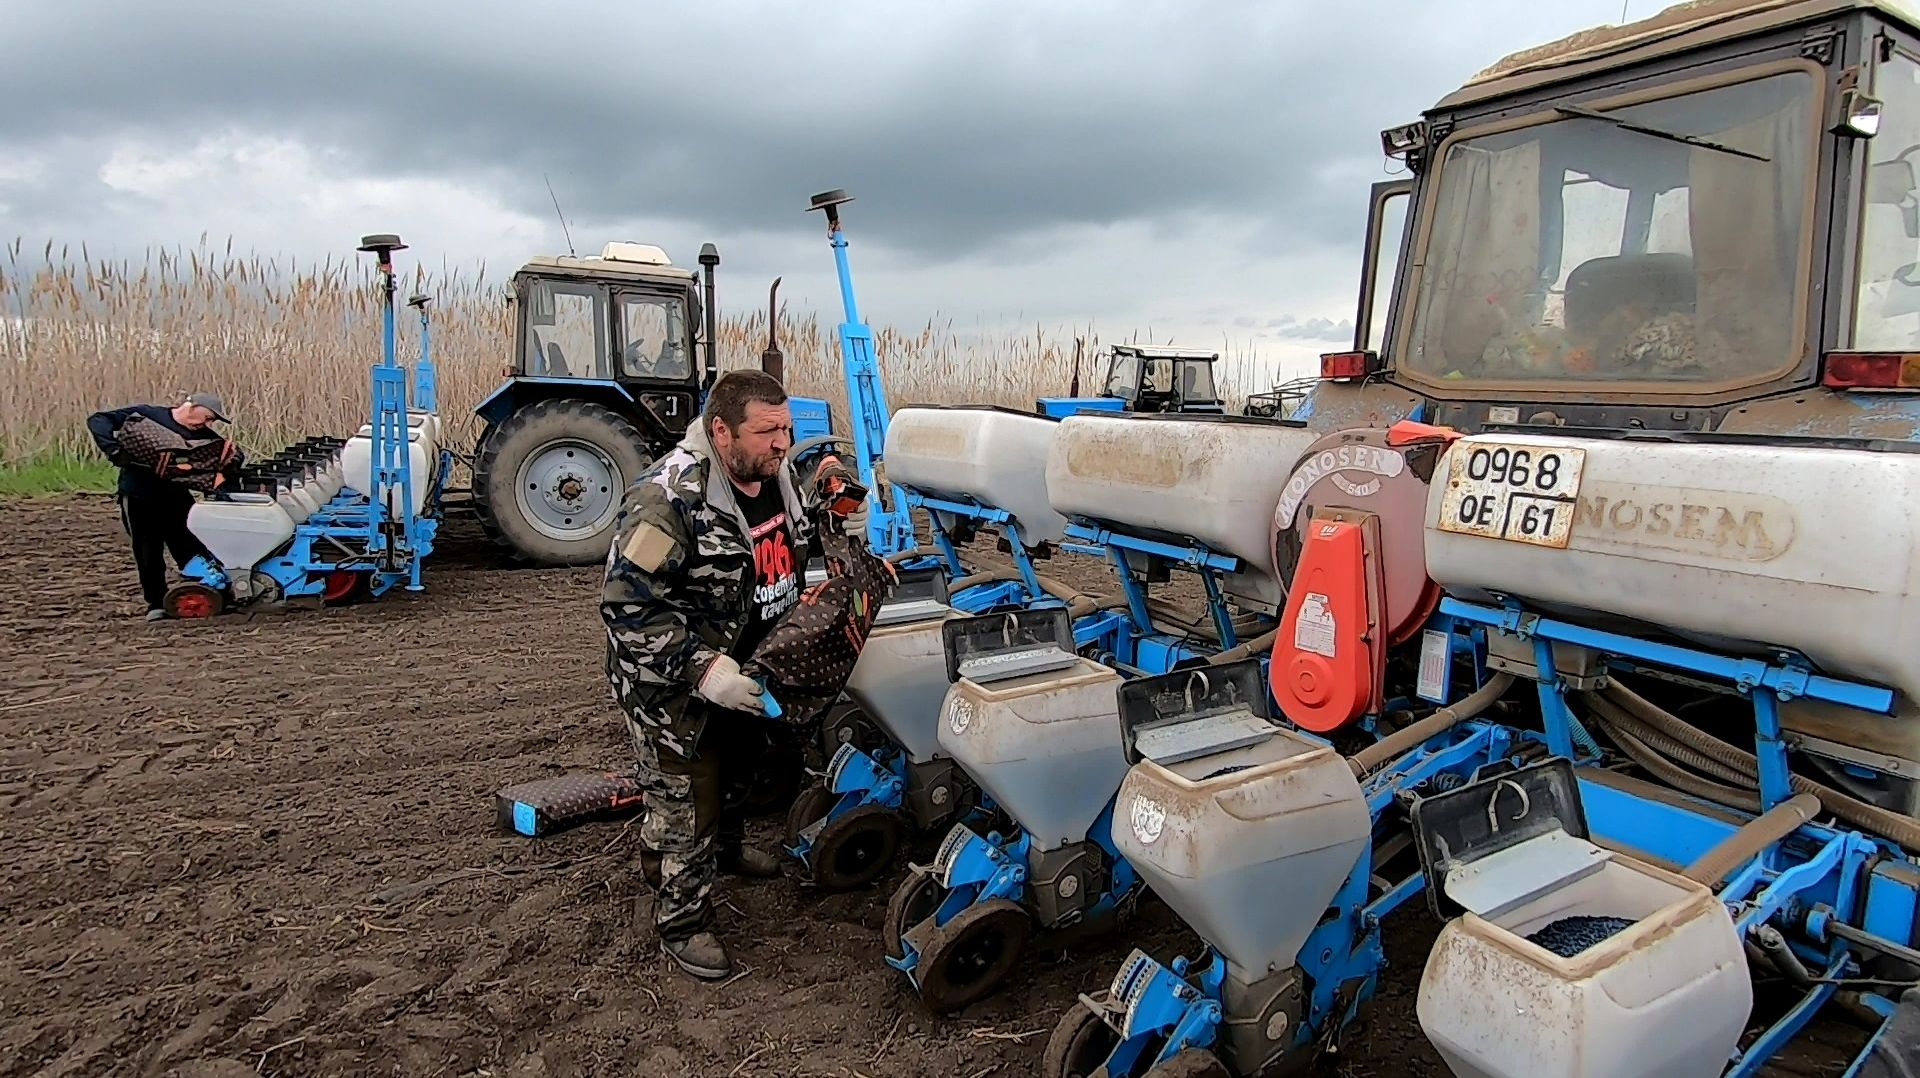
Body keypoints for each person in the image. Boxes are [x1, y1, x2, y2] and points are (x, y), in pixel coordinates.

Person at [601, 369, 870, 980]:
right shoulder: (669, 499)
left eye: (787, 429)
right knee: (685, 805)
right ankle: (683, 921)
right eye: (767, 431)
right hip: (672, 687)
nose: (782, 443)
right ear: (721, 430)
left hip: (751, 665)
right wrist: (702, 670)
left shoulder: (773, 477)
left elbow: (796, 546)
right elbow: (628, 608)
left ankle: (725, 851)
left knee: (740, 772)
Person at [85, 393, 238, 620]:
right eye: (207, 418)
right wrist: (113, 450)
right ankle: (156, 603)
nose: (207, 424)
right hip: (138, 496)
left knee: (191, 544)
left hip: (175, 496)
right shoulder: (147, 415)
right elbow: (98, 420)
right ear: (193, 407)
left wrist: (224, 479)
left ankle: (208, 591)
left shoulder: (202, 435)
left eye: (211, 422)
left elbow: (227, 458)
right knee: (147, 551)